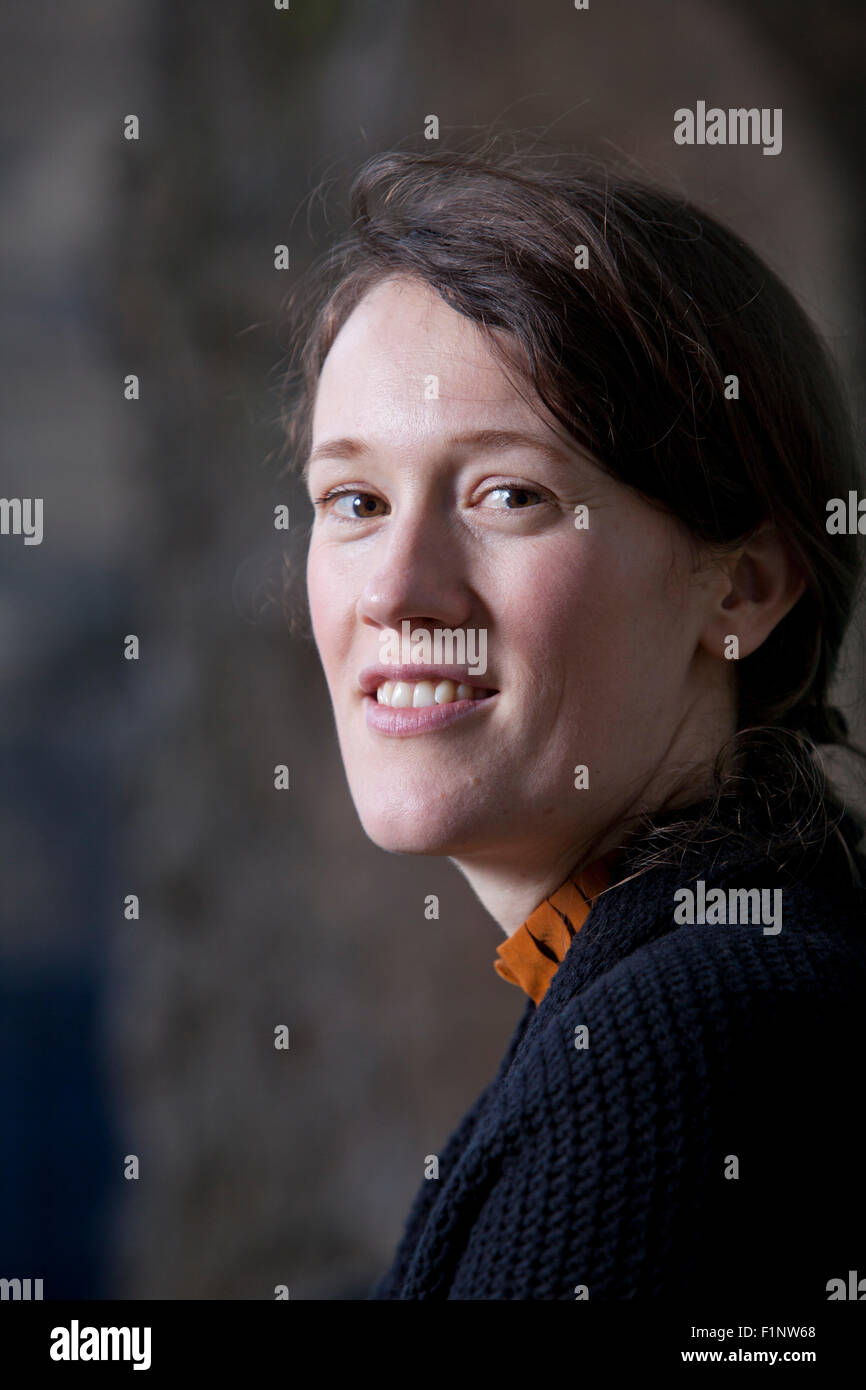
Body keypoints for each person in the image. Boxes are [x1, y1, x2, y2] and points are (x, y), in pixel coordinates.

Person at [282, 145, 866, 1300]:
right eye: (354, 501)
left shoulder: (690, 1042)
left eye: (509, 495)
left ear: (742, 587)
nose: (396, 589)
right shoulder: (693, 967)